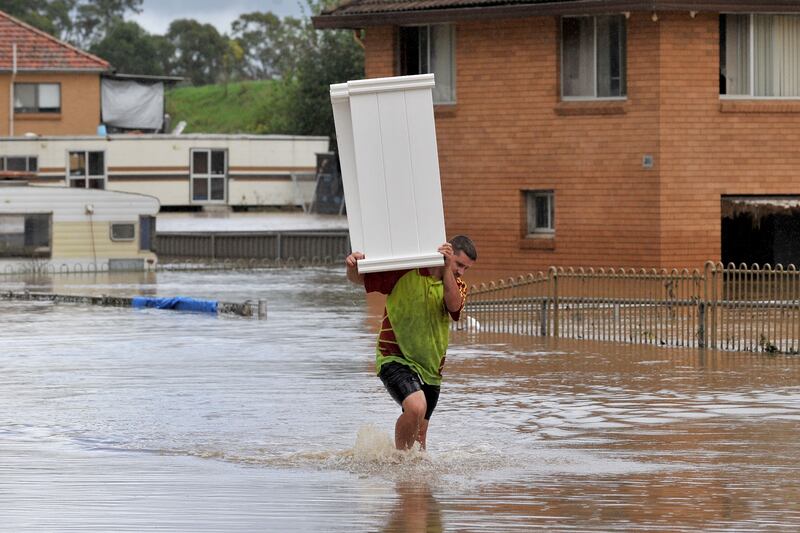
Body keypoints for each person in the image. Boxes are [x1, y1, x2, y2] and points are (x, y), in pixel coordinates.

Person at [345, 235, 477, 450]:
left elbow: (454, 307)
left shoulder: (456, 286)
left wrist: (446, 271)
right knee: (416, 407)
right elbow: (359, 279)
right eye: (459, 265)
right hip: (394, 356)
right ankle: (398, 461)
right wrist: (352, 265)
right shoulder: (405, 270)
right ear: (447, 253)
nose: (461, 272)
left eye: (466, 269)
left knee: (420, 442)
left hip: (431, 368)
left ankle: (408, 479)